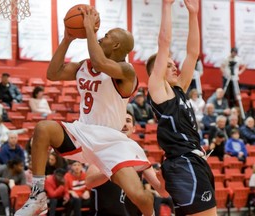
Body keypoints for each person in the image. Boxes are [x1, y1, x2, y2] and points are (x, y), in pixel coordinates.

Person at [15, 5, 160, 216]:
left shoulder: (126, 71)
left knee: (139, 196)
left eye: (108, 36)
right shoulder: (84, 65)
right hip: (83, 132)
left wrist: (90, 30)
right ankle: (37, 196)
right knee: (43, 128)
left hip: (112, 141)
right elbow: (53, 73)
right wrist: (67, 39)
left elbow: (101, 63)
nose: (102, 37)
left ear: (117, 45)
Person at [145, 0, 217, 215]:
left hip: (194, 160)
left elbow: (192, 53)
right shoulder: (158, 89)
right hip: (183, 163)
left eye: (172, 63)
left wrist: (193, 14)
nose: (174, 65)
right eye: (167, 65)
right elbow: (164, 42)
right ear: (155, 72)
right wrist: (166, 7)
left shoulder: (179, 90)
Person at [86, 111, 141, 216]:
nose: (124, 124)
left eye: (128, 121)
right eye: (120, 121)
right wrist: (114, 168)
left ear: (134, 128)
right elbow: (89, 182)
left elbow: (162, 190)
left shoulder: (139, 155)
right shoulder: (102, 151)